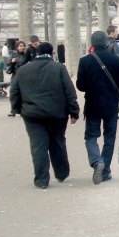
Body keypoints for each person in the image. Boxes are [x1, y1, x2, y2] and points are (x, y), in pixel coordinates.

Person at [9, 42, 79, 188]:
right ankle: (61, 173)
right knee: (57, 142)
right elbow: (69, 91)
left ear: (36, 53)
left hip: (32, 114)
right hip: (57, 113)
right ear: (52, 52)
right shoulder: (59, 68)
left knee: (38, 146)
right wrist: (74, 111)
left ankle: (41, 180)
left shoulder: (23, 70)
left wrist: (16, 109)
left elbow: (14, 91)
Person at [76, 31, 119, 185]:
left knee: (91, 136)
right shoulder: (115, 60)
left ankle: (96, 160)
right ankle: (105, 170)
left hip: (93, 104)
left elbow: (80, 86)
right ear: (106, 43)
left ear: (92, 43)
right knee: (109, 138)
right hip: (111, 105)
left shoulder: (85, 61)